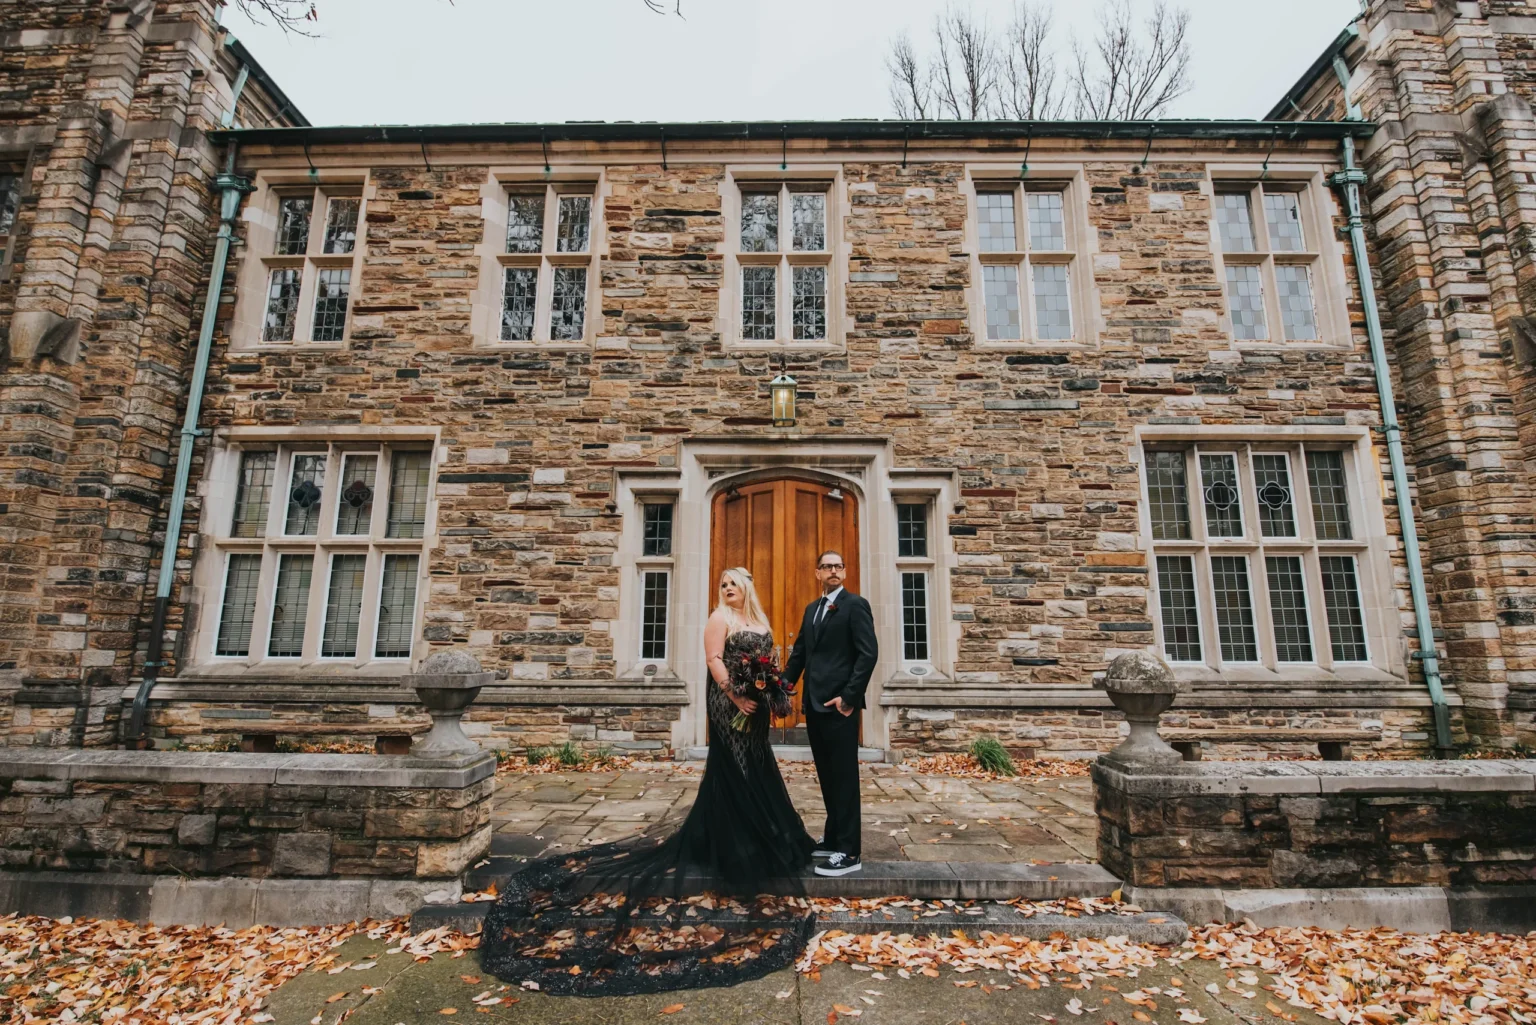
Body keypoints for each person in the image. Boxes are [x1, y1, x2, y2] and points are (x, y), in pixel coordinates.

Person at [479, 567, 815, 996]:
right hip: (729, 702)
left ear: (747, 587)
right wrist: (734, 693)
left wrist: (766, 688)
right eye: (723, 585)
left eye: (733, 584)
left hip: (757, 706)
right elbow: (714, 659)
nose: (727, 589)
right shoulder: (720, 620)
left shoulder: (759, 621)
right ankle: (737, 842)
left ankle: (761, 834)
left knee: (758, 763)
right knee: (734, 766)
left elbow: (765, 664)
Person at [782, 549, 878, 877]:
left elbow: (868, 653)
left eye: (838, 565)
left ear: (845, 572)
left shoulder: (855, 605)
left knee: (844, 778)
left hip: (841, 708)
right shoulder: (812, 610)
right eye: (827, 566)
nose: (833, 570)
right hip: (814, 705)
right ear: (817, 573)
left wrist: (849, 697)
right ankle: (834, 836)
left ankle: (850, 852)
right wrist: (781, 684)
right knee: (826, 775)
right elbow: (801, 654)